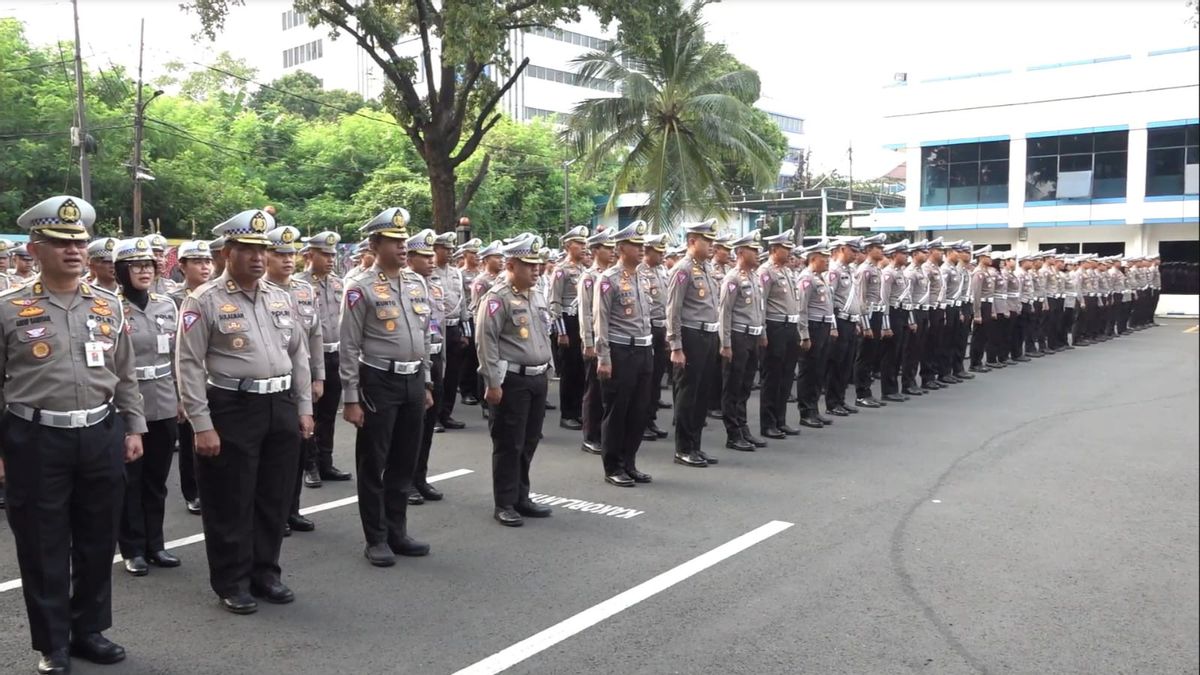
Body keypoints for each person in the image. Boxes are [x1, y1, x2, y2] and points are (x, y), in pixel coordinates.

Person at [1, 195, 146, 674]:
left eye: (80, 242)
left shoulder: (109, 305)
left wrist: (133, 426)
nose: (73, 250)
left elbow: (125, 374)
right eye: (60, 241)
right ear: (36, 248)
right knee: (42, 543)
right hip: (34, 436)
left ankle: (89, 630)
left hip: (101, 432)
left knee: (97, 538)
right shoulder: (8, 308)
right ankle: (53, 643)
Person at [176, 208, 314, 614]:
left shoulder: (280, 297)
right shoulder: (204, 300)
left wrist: (303, 407)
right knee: (230, 499)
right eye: (247, 249)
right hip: (232, 406)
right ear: (227, 252)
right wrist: (202, 424)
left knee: (273, 495)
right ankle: (231, 581)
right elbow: (186, 364)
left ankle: (265, 572)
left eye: (262, 249)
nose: (257, 257)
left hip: (280, 403)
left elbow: (299, 355)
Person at [339, 210, 433, 566]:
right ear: (375, 245)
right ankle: (375, 537)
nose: (403, 247)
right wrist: (351, 397)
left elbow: (424, 335)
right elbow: (349, 345)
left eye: (404, 240)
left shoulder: (415, 283)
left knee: (404, 461)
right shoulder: (359, 287)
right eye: (394, 241)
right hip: (378, 380)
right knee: (374, 461)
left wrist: (425, 381)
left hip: (411, 380)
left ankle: (398, 531)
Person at [109, 236, 181, 578]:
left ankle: (156, 543)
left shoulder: (166, 305)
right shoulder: (109, 305)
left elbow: (180, 356)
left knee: (156, 480)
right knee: (129, 481)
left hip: (163, 400)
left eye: (148, 265)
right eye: (135, 266)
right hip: (126, 404)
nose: (143, 271)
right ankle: (133, 548)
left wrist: (181, 397)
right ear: (121, 271)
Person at [475, 233, 555, 526]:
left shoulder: (536, 295)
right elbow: (486, 341)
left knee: (529, 440)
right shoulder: (497, 299)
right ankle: (505, 502)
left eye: (537, 264)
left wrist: (548, 367)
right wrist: (492, 382)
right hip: (512, 380)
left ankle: (522, 495)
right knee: (509, 443)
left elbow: (543, 335)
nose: (536, 269)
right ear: (511, 265)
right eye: (529, 264)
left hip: (536, 378)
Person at [263, 226, 325, 536]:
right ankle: (274, 514)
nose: (287, 260)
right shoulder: (259, 291)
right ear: (266, 256)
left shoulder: (304, 290)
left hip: (299, 378)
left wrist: (319, 377)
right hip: (271, 381)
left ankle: (293, 508)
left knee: (299, 447)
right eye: (279, 254)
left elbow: (315, 336)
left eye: (290, 254)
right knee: (274, 456)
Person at [593, 221, 656, 486]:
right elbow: (601, 320)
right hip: (621, 351)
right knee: (617, 410)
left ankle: (629, 462)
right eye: (635, 245)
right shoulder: (608, 279)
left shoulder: (643, 276)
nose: (641, 250)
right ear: (620, 248)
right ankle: (613, 466)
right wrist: (604, 357)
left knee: (639, 410)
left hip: (643, 349)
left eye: (642, 245)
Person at [295, 231, 352, 488]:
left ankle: (326, 461)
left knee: (329, 413)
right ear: (309, 255)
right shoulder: (298, 285)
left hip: (335, 354)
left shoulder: (339, 283)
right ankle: (310, 464)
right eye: (325, 254)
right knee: (311, 413)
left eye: (333, 254)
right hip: (308, 358)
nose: (331, 259)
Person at [665, 219, 721, 468]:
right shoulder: (683, 269)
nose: (711, 245)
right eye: (706, 240)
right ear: (692, 241)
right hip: (690, 336)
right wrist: (676, 346)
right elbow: (673, 310)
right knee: (688, 394)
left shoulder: (706, 268)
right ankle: (683, 448)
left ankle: (695, 445)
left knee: (701, 394)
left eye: (711, 241)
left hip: (708, 335)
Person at [170, 240, 213, 516]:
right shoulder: (173, 300)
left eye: (207, 261)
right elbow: (176, 352)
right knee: (190, 441)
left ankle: (212, 488)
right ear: (182, 266)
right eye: (197, 262)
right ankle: (193, 490)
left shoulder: (217, 294)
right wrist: (179, 394)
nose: (205, 267)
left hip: (217, 380)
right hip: (190, 379)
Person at [405, 229, 448, 505]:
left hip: (435, 355)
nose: (431, 261)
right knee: (411, 427)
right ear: (410, 258)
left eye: (433, 256)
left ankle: (420, 476)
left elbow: (439, 325)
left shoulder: (435, 286)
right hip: (414, 361)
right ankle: (405, 479)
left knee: (428, 423)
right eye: (424, 256)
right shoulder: (404, 286)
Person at [717, 230, 766, 452]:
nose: (757, 254)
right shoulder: (733, 278)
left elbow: (759, 309)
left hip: (753, 335)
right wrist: (725, 343)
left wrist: (762, 333)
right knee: (733, 387)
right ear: (740, 252)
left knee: (746, 386)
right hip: (737, 336)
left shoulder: (755, 277)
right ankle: (733, 433)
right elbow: (724, 312)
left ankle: (743, 427)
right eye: (753, 250)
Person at [756, 229, 802, 439]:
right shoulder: (766, 272)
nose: (790, 252)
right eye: (786, 248)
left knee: (786, 376)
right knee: (772, 376)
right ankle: (768, 423)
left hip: (790, 327)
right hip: (774, 327)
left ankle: (780, 419)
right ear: (774, 249)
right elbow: (760, 304)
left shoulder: (788, 271)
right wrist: (763, 332)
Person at [548, 225, 590, 430]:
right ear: (568, 246)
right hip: (568, 322)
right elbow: (554, 302)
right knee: (569, 370)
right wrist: (561, 331)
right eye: (579, 243)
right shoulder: (560, 270)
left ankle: (578, 410)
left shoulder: (584, 270)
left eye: (585, 243)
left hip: (582, 322)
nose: (584, 247)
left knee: (582, 370)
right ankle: (567, 413)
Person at [578, 230, 614, 455]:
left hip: (610, 339)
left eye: (612, 248)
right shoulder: (589, 277)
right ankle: (590, 436)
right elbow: (586, 313)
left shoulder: (613, 275)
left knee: (608, 389)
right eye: (607, 248)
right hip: (595, 339)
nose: (611, 252)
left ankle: (604, 432)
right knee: (594, 390)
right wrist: (589, 343)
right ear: (595, 251)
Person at [433, 232, 469, 431]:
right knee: (439, 374)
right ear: (435, 249)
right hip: (437, 327)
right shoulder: (429, 272)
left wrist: (465, 329)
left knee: (453, 373)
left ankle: (446, 413)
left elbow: (462, 302)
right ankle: (434, 416)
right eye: (445, 249)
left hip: (454, 327)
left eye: (451, 249)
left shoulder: (456, 273)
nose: (449, 252)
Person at [796, 240, 834, 428]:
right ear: (813, 259)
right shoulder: (806, 278)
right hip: (813, 326)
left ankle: (814, 409)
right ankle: (806, 411)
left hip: (823, 326)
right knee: (808, 370)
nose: (827, 260)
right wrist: (804, 334)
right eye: (823, 257)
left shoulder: (820, 277)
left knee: (819, 369)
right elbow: (801, 308)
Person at [826, 237, 865, 415]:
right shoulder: (833, 270)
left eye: (857, 251)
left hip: (850, 321)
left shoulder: (850, 271)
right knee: (837, 362)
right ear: (842, 249)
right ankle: (832, 402)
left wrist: (856, 321)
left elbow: (854, 297)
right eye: (853, 251)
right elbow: (829, 299)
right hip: (839, 320)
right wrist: (833, 325)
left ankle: (840, 399)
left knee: (846, 363)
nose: (856, 254)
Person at [637, 234, 671, 441]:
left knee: (657, 375)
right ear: (647, 251)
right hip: (647, 330)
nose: (662, 255)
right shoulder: (639, 272)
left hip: (662, 328)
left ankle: (651, 418)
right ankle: (641, 423)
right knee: (646, 379)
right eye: (658, 251)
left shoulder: (662, 271)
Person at [853, 234, 889, 407]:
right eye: (878, 248)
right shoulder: (864, 270)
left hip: (877, 315)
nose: (882, 250)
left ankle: (867, 391)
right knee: (864, 356)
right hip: (868, 316)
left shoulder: (877, 269)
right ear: (868, 250)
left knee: (872, 355)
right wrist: (865, 325)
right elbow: (861, 299)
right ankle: (861, 394)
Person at [878, 240, 912, 403]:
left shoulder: (901, 273)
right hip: (892, 314)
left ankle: (894, 388)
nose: (906, 256)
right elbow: (884, 300)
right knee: (890, 354)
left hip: (902, 313)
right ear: (894, 255)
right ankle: (888, 389)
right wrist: (885, 325)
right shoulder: (888, 273)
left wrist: (910, 319)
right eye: (903, 253)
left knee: (898, 353)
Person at [457, 238, 484, 406]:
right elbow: (460, 298)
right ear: (465, 254)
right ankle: (467, 390)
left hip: (481, 317)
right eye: (473, 253)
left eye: (478, 253)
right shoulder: (460, 274)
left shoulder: (482, 273)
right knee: (469, 355)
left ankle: (479, 389)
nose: (476, 256)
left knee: (481, 355)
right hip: (468, 317)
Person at [968, 245, 996, 373]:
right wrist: (977, 313)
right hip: (982, 305)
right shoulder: (978, 273)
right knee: (978, 335)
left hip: (988, 305)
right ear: (981, 257)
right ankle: (975, 363)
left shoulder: (986, 272)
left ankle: (979, 361)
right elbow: (976, 294)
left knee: (985, 335)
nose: (990, 259)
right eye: (987, 256)